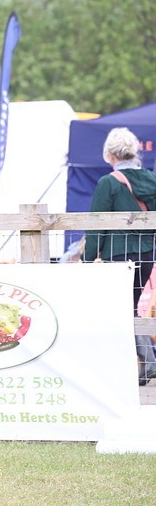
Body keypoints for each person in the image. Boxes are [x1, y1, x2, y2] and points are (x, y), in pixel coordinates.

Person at [82, 127, 156, 385]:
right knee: (129, 306)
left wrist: (88, 259)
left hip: (117, 254)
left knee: (118, 309)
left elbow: (96, 224)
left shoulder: (108, 182)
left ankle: (146, 360)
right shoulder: (152, 178)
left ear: (109, 154)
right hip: (146, 253)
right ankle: (144, 361)